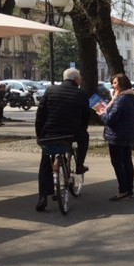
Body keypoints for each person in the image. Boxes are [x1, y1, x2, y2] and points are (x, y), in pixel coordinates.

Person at [35, 68, 90, 212]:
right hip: (70, 133)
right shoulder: (82, 94)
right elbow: (85, 117)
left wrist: (40, 135)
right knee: (85, 138)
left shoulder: (50, 90)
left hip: (50, 133)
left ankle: (42, 198)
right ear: (76, 79)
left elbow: (40, 114)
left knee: (45, 163)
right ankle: (79, 165)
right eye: (80, 78)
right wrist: (81, 130)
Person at [98, 73, 134, 201]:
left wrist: (101, 113)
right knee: (127, 161)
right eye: (113, 83)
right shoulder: (131, 97)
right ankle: (129, 189)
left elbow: (111, 119)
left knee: (118, 163)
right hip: (127, 134)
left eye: (115, 83)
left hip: (117, 136)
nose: (113, 85)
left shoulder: (121, 99)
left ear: (122, 83)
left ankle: (123, 190)